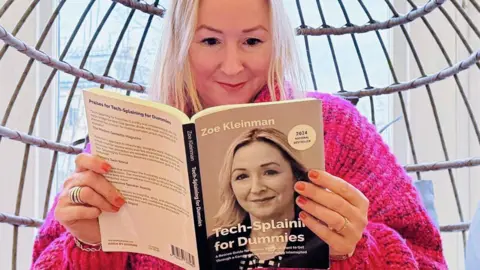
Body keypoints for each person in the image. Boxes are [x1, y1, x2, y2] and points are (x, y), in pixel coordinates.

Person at [31, 0, 448, 269]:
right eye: (210, 40)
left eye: (252, 41)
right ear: (180, 44)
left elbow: (428, 262)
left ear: (277, 43)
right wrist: (88, 247)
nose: (232, 67)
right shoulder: (127, 135)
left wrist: (355, 250)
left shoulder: (336, 127)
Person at [207, 127, 329, 269]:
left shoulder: (323, 243)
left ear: (295, 176)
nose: (257, 189)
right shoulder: (212, 248)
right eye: (242, 176)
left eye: (270, 172)